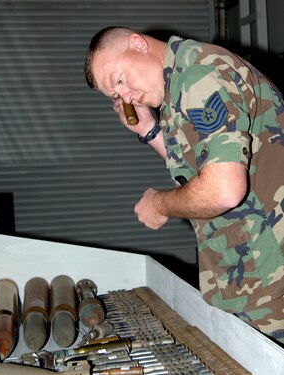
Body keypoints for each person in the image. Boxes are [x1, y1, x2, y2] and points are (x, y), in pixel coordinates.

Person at [84, 26, 284, 344]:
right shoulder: (180, 86)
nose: (127, 97)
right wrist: (149, 130)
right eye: (116, 96)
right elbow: (197, 174)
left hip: (272, 281)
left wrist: (159, 204)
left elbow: (223, 190)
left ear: (137, 43)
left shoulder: (199, 75)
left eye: (120, 80)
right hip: (250, 274)